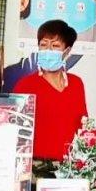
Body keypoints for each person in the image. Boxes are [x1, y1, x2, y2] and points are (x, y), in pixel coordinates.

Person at [12, 20, 89, 166]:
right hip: (37, 167)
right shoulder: (25, 85)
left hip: (71, 167)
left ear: (67, 51)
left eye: (55, 46)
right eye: (43, 45)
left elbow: (83, 126)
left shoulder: (76, 84)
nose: (48, 50)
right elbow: (16, 131)